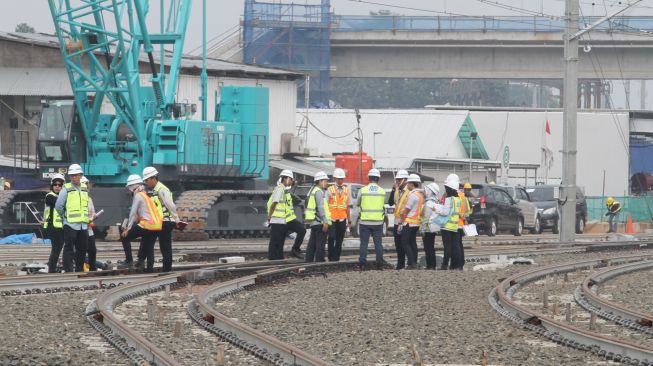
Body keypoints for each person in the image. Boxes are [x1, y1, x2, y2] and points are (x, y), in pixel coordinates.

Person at [121, 174, 162, 272]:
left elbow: (133, 212)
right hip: (156, 226)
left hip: (147, 224)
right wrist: (126, 223)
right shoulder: (145, 194)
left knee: (124, 237)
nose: (129, 190)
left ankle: (129, 260)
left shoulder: (138, 195)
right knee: (149, 247)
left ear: (132, 186)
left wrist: (128, 228)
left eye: (129, 187)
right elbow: (137, 214)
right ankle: (149, 269)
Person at [142, 166, 179, 272]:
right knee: (153, 244)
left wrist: (177, 220)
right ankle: (151, 267)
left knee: (165, 247)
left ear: (153, 178)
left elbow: (171, 206)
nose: (146, 182)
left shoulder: (161, 189)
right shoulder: (154, 190)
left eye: (147, 180)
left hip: (166, 222)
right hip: (159, 222)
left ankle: (167, 270)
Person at [55, 164, 89, 272]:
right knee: (69, 248)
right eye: (72, 175)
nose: (74, 177)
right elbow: (58, 205)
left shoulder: (84, 187)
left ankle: (79, 270)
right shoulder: (66, 188)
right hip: (70, 224)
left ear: (80, 175)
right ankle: (68, 270)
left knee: (82, 249)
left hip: (82, 225)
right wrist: (65, 217)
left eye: (76, 175)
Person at [357, 168, 386, 271]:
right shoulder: (382, 191)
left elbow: (358, 203)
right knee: (378, 243)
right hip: (378, 222)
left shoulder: (362, 190)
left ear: (369, 178)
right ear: (378, 178)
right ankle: (380, 264)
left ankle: (362, 264)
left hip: (364, 222)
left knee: (364, 243)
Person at [436, 174, 463, 270]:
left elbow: (445, 212)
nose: (445, 189)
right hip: (454, 227)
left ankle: (444, 265)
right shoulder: (458, 199)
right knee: (456, 247)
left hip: (446, 227)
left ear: (450, 189)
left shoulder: (449, 199)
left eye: (446, 188)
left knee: (447, 247)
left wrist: (436, 209)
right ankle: (457, 265)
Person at [397, 174, 424, 270]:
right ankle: (414, 262)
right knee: (412, 243)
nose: (407, 184)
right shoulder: (419, 195)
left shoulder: (412, 195)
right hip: (416, 223)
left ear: (412, 184)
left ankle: (411, 263)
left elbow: (406, 211)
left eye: (408, 183)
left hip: (409, 222)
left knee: (405, 242)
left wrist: (400, 223)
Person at [267, 170, 294, 260]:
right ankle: (273, 258)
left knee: (280, 241)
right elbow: (274, 203)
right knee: (275, 241)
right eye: (290, 179)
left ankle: (278, 258)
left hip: (282, 221)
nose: (291, 182)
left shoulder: (283, 190)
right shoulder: (279, 189)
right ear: (286, 178)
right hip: (277, 220)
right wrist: (269, 216)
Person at [305, 171, 331, 262]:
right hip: (320, 222)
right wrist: (325, 221)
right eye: (325, 180)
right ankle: (320, 262)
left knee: (312, 244)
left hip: (314, 222)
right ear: (320, 181)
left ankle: (308, 261)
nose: (326, 183)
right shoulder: (319, 192)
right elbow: (321, 208)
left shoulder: (312, 190)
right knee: (320, 244)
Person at [327, 168, 350, 261]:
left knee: (340, 240)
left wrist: (350, 220)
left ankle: (336, 258)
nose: (340, 180)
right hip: (332, 218)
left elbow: (347, 206)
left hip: (342, 219)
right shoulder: (329, 189)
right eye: (338, 178)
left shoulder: (347, 190)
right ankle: (330, 255)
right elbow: (326, 204)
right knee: (331, 237)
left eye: (342, 179)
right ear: (335, 178)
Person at [387, 169, 409, 269]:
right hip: (397, 221)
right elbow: (391, 202)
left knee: (405, 244)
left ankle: (408, 263)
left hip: (405, 221)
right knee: (398, 245)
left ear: (405, 180)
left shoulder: (408, 192)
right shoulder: (397, 191)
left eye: (399, 180)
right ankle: (400, 264)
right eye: (397, 180)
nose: (397, 182)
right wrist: (393, 189)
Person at [44, 173, 65, 273]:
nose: (57, 187)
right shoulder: (49, 196)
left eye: (60, 185)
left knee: (61, 248)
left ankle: (55, 268)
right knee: (56, 249)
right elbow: (58, 203)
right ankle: (51, 270)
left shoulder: (63, 196)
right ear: (52, 185)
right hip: (53, 227)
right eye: (55, 184)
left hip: (62, 227)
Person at [421, 182, 440, 270]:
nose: (423, 193)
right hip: (433, 229)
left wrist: (423, 229)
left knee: (428, 248)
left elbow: (426, 217)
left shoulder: (428, 203)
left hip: (428, 229)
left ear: (429, 191)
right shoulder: (436, 202)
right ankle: (433, 265)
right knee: (431, 247)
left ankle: (430, 266)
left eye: (425, 190)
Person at [82, 176, 98, 271]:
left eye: (87, 185)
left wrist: (94, 216)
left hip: (89, 228)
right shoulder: (78, 199)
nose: (86, 187)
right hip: (81, 228)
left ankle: (92, 267)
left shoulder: (89, 199)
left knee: (92, 249)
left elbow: (92, 211)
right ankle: (81, 268)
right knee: (82, 249)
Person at [456, 182, 472, 270]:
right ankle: (461, 263)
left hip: (456, 224)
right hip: (462, 224)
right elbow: (468, 211)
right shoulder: (464, 198)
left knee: (457, 245)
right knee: (460, 244)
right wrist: (466, 219)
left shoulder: (457, 197)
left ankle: (458, 264)